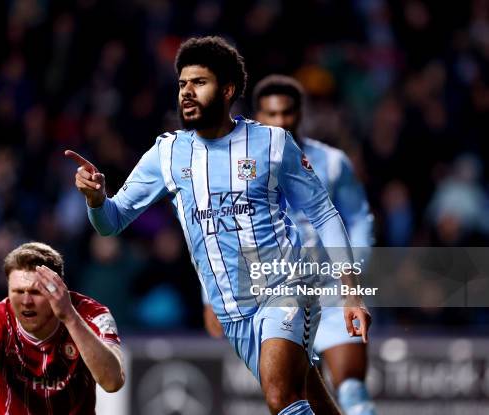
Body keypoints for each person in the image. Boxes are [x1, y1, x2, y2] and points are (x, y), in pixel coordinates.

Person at [66, 36, 371, 415]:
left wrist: (351, 293)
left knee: (280, 397)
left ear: (227, 90)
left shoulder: (272, 144)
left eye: (199, 83)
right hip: (231, 310)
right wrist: (95, 200)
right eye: (182, 85)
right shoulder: (167, 154)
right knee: (304, 394)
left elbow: (325, 213)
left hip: (286, 286)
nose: (187, 93)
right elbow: (110, 223)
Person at [203, 74, 376, 415]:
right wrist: (210, 295)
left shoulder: (331, 162)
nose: (280, 121)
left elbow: (357, 219)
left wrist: (352, 273)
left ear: (301, 114)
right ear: (257, 116)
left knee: (353, 390)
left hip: (330, 287)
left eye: (287, 113)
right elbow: (217, 228)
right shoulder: (239, 167)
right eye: (271, 114)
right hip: (278, 293)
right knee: (298, 397)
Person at [0, 242, 125, 414]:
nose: (26, 301)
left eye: (35, 292)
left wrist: (70, 317)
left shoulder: (92, 315)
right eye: (17, 291)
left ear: (58, 288)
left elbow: (113, 382)